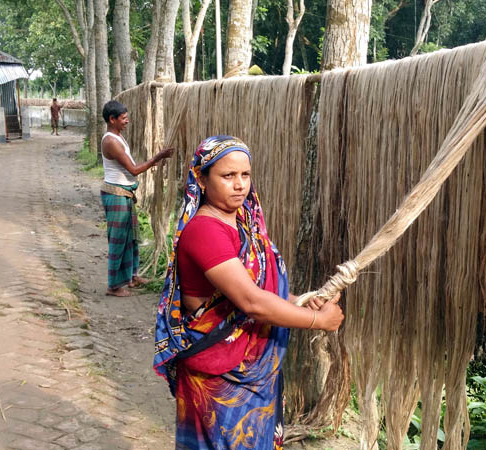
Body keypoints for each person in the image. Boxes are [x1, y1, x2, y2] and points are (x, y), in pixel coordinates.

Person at [154, 135, 345, 449]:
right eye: (227, 176)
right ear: (201, 179)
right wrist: (318, 322)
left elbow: (259, 289)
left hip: (248, 372)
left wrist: (302, 303)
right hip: (220, 374)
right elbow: (252, 302)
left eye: (245, 175)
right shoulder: (205, 230)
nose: (239, 184)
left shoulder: (242, 226)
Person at [100, 100, 173, 297]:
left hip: (123, 194)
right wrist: (157, 158)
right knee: (118, 240)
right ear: (112, 119)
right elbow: (133, 169)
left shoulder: (117, 137)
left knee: (131, 237)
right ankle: (113, 286)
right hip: (116, 194)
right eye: (123, 118)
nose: (127, 120)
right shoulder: (111, 142)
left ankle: (132, 276)